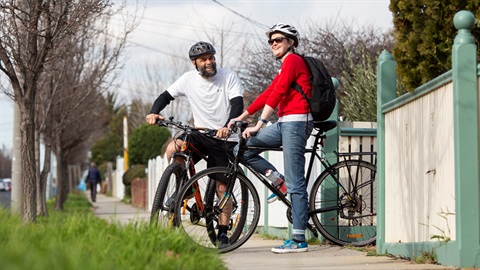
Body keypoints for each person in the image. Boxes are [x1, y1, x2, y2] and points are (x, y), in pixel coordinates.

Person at [145, 41, 244, 249]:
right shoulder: (188, 79)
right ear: (194, 63)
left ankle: (224, 234)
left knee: (222, 186)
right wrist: (154, 111)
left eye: (211, 58)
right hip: (200, 133)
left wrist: (230, 125)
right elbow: (165, 96)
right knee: (173, 148)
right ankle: (185, 188)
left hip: (224, 137)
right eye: (203, 59)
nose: (209, 62)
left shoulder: (228, 77)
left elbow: (237, 104)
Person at [228, 23, 313, 253]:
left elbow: (280, 91)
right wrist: (242, 116)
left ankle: (298, 240)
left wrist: (260, 123)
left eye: (279, 39)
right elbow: (268, 93)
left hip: (296, 122)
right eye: (271, 40)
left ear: (291, 42)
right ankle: (279, 182)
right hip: (284, 123)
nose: (273, 43)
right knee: (241, 150)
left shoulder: (294, 61)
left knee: (297, 183)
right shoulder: (284, 67)